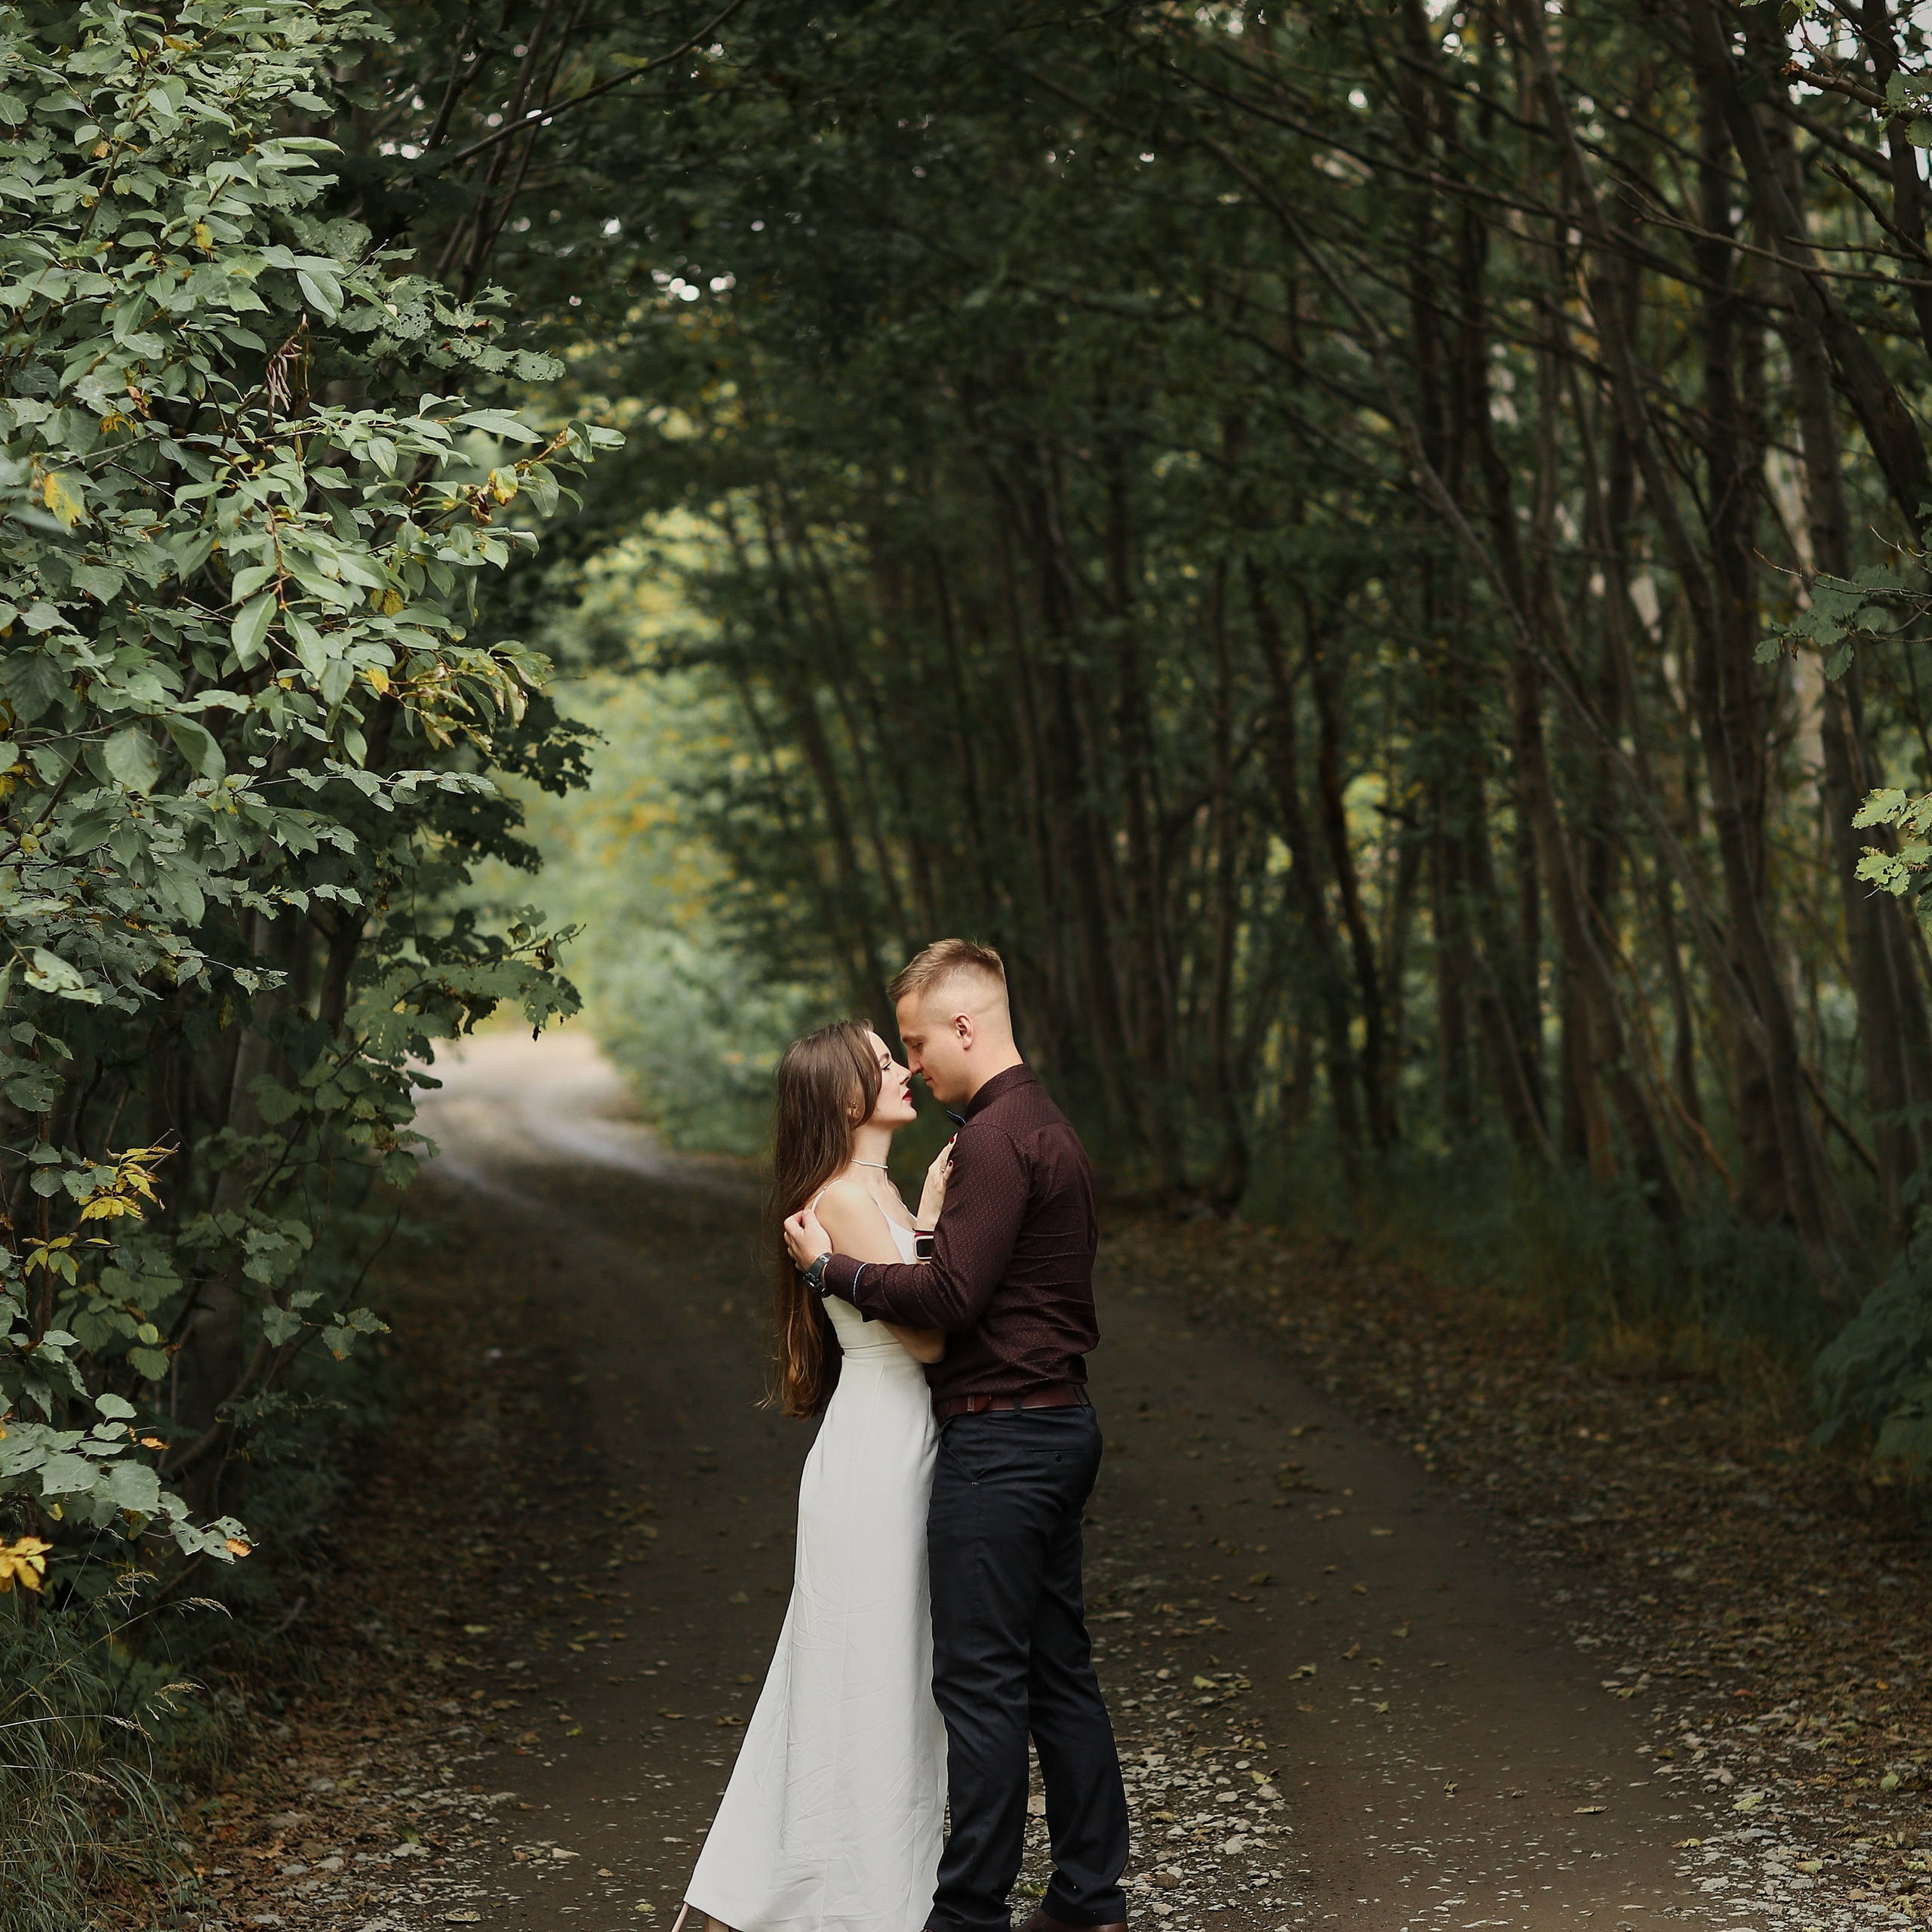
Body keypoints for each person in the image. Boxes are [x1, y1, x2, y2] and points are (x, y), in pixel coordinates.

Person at [783, 940, 1131, 1932]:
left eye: (916, 1040)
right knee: (1059, 1669)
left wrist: (831, 1275)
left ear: (966, 1027)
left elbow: (947, 1299)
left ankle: (971, 1913)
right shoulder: (1047, 1128)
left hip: (1002, 1448)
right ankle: (1088, 1899)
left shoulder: (989, 1139)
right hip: (1058, 1424)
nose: (913, 1063)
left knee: (980, 1688)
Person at [674, 1020, 956, 1932]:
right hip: (875, 1452)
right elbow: (925, 1333)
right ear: (843, 1097)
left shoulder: (877, 1186)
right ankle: (851, 1901)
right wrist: (941, 1225)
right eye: (882, 1064)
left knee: (893, 1677)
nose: (904, 1070)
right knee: (861, 1676)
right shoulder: (838, 1197)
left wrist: (929, 1213)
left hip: (903, 1438)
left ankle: (852, 1889)